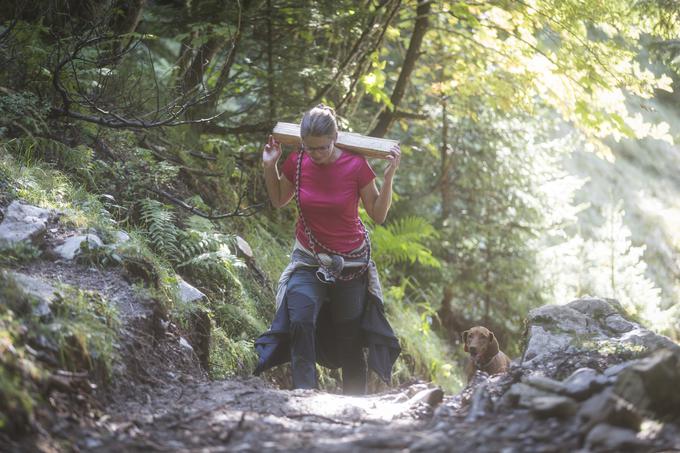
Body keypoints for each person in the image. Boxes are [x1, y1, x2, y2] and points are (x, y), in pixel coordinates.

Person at [254, 104, 401, 395]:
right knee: (300, 319)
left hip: (351, 263)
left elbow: (378, 214)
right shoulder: (297, 161)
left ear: (335, 138)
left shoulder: (356, 165)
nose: (316, 154)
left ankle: (355, 404)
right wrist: (269, 167)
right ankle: (304, 393)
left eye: (322, 148)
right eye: (310, 148)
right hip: (308, 259)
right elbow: (279, 199)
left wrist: (388, 178)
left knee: (349, 337)